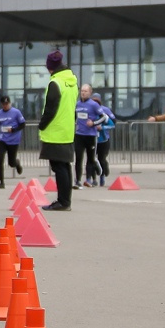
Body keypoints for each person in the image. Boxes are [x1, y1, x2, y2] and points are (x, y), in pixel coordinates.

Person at [37, 50, 78, 211]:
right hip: (67, 130)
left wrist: (42, 124)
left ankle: (62, 202)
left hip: (54, 131)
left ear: (50, 67)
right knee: (65, 166)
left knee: (59, 168)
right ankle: (66, 200)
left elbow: (50, 108)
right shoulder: (72, 82)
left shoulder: (55, 83)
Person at [73, 84, 107, 188]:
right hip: (79, 135)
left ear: (90, 93)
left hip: (91, 135)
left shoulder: (94, 105)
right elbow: (74, 117)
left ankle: (88, 179)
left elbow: (104, 117)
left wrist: (93, 123)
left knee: (90, 158)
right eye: (82, 91)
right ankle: (78, 180)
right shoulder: (77, 104)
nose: (83, 93)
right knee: (78, 158)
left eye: (85, 91)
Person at [0, 96, 25, 189]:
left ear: (10, 103)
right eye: (4, 104)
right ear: (1, 104)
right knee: (0, 159)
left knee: (11, 163)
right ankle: (1, 182)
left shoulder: (16, 112)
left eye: (7, 104)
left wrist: (13, 129)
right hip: (2, 139)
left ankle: (16, 163)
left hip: (13, 140)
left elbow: (22, 124)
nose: (5, 106)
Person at [90, 92, 114, 186]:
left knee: (101, 159)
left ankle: (102, 175)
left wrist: (102, 128)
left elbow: (112, 125)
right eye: (93, 101)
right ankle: (93, 179)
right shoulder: (89, 112)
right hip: (92, 139)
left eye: (97, 102)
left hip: (103, 140)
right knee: (91, 159)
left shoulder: (104, 112)